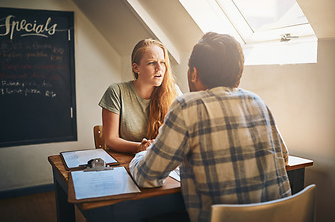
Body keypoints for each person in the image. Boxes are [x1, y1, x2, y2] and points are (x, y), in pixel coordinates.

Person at [129, 32, 291, 222]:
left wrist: (141, 154)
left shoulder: (187, 106)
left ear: (194, 73)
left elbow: (147, 176)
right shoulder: (257, 101)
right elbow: (284, 157)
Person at [99, 38, 181, 153]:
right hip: (126, 160)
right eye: (152, 63)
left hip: (161, 160)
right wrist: (141, 147)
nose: (159, 68)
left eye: (162, 62)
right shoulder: (117, 91)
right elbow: (111, 140)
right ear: (136, 68)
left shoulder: (173, 91)